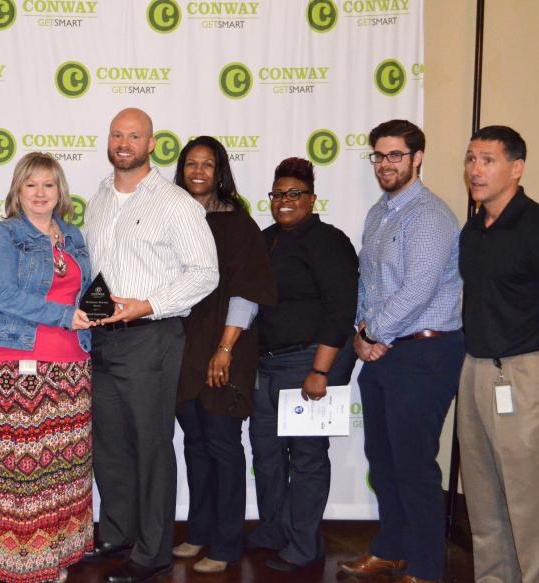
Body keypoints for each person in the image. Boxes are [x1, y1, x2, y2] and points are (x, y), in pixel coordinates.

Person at [82, 108, 218, 583]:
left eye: (133, 136)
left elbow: (205, 274)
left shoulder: (176, 203)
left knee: (152, 446)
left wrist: (148, 305)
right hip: (99, 341)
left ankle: (153, 551)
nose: (123, 142)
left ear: (152, 144)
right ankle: (119, 532)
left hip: (151, 339)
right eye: (117, 133)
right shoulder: (97, 198)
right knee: (110, 446)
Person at [458, 126, 539, 582]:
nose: (476, 170)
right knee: (483, 501)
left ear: (516, 168)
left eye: (488, 160)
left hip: (526, 375)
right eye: (471, 159)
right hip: (474, 371)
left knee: (531, 508)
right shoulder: (473, 230)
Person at [338, 120, 464, 583]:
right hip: (386, 352)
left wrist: (374, 336)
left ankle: (429, 568)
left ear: (418, 157)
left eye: (395, 155)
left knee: (413, 463)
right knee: (384, 457)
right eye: (379, 155)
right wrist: (360, 331)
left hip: (425, 354)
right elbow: (367, 285)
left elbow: (418, 290)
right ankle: (392, 549)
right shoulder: (380, 212)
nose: (386, 164)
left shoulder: (429, 215)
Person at [0, 152, 94, 583]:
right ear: (17, 191)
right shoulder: (6, 234)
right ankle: (23, 562)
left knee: (63, 467)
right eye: (31, 185)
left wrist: (97, 309)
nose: (41, 193)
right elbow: (3, 295)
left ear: (60, 190)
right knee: (22, 470)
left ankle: (59, 553)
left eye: (49, 184)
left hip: (73, 362)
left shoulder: (75, 234)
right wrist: (63, 315)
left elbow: (84, 291)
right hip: (17, 361)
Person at [246, 157, 358, 574]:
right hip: (267, 364)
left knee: (308, 456)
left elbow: (341, 309)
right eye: (278, 194)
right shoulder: (267, 238)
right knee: (267, 453)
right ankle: (274, 529)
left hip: (310, 361)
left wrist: (322, 371)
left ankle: (304, 543)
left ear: (311, 198)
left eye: (294, 194)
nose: (285, 201)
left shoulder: (328, 240)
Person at [170, 137, 275, 574]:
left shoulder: (238, 225)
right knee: (195, 444)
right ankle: (199, 532)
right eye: (191, 164)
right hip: (183, 348)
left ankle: (228, 543)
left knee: (222, 444)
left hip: (224, 348)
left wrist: (225, 349)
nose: (198, 171)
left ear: (220, 172)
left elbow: (248, 291)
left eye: (207, 165)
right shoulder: (172, 218)